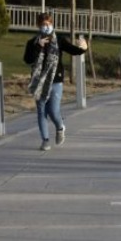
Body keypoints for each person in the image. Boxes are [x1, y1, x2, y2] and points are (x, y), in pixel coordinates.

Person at [23, 13, 87, 151]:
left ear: (52, 24)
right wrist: (38, 46)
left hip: (56, 81)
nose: (46, 27)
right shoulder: (32, 42)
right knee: (41, 111)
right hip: (39, 82)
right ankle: (45, 140)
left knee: (53, 111)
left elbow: (73, 50)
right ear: (38, 26)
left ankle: (60, 127)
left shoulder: (59, 40)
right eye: (43, 24)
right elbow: (28, 59)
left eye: (48, 24)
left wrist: (83, 48)